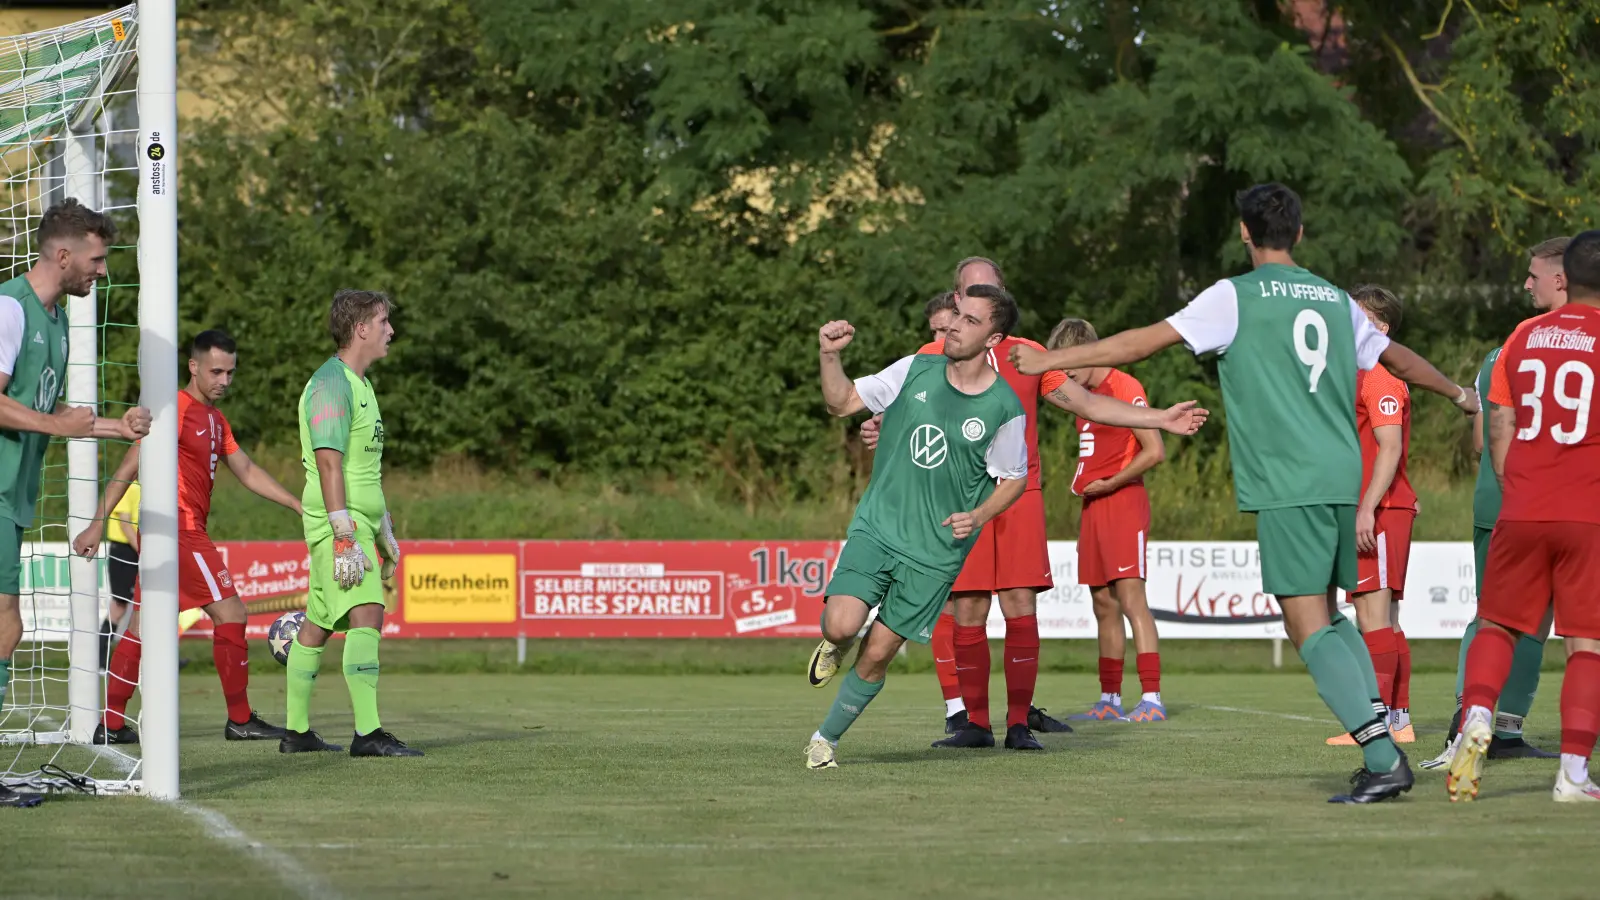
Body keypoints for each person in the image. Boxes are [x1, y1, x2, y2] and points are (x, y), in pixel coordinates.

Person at [1011, 183, 1477, 803]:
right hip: (1343, 478)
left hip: (1291, 482)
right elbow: (1399, 360)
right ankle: (1385, 741)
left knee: (1307, 624)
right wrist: (1458, 394)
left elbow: (1142, 342)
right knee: (1334, 618)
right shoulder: (1336, 299)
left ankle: (1383, 756)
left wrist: (1046, 363)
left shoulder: (1236, 295)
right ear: (1301, 234)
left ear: (1243, 233)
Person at [862, 262, 1209, 748]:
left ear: (1000, 301)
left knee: (1021, 605)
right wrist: (880, 426)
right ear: (957, 297)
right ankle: (976, 726)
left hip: (1019, 496)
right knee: (967, 609)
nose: (972, 301)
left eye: (987, 290)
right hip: (961, 499)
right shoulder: (932, 355)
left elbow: (1087, 405)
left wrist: (1159, 419)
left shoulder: (1029, 357)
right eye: (966, 291)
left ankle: (1020, 724)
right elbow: (901, 408)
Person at [73, 330, 302, 744]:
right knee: (231, 614)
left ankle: (109, 724)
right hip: (181, 530)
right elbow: (129, 467)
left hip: (174, 533)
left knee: (141, 627)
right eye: (216, 371)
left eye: (231, 372)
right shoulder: (176, 410)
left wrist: (297, 504)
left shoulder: (216, 420)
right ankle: (241, 719)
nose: (225, 381)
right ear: (193, 367)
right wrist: (97, 523)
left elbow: (247, 470)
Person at [0, 198, 150, 810]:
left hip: (12, 495)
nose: (102, 271)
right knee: (7, 623)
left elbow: (54, 417)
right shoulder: (10, 308)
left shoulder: (56, 322)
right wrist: (58, 427)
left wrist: (119, 427)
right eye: (96, 258)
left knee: (7, 624)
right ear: (63, 255)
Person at [1447, 230, 1600, 802]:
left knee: (1497, 623)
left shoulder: (1523, 336)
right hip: (1586, 508)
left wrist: (1521, 487)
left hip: (1524, 503)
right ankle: (1573, 775)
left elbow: (1498, 428)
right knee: (1585, 643)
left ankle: (1479, 715)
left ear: (1569, 276)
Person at [1423, 238, 1569, 770]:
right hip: (1560, 504)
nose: (1525, 284)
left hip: (1510, 500)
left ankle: (1490, 729)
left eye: (1534, 276)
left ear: (1562, 279)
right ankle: (1481, 728)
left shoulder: (1508, 348)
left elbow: (1484, 440)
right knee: (1525, 620)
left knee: (1509, 619)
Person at [279, 289, 416, 757]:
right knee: (367, 615)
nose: (390, 330)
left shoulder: (361, 384)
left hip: (354, 520)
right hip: (339, 523)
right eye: (382, 322)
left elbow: (362, 469)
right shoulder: (331, 383)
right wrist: (344, 534)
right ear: (360, 328)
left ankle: (295, 733)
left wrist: (384, 528)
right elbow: (329, 464)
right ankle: (368, 733)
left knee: (318, 622)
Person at [1046, 319, 1169, 724]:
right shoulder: (1085, 395)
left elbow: (1154, 451)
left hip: (1122, 501)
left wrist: (1111, 482)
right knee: (1102, 604)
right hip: (1094, 506)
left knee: (1132, 599)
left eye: (1070, 365)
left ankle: (1151, 697)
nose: (1066, 375)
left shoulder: (1124, 386)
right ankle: (1109, 698)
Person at [1325, 286, 1419, 745]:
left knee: (1373, 613)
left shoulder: (1380, 377)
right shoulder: (1356, 377)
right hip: (1377, 507)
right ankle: (1398, 720)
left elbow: (1390, 446)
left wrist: (1367, 508)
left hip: (1380, 510)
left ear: (1379, 329)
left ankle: (1376, 724)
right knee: (1386, 617)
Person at [100, 478, 139, 669]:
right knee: (119, 606)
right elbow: (125, 523)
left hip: (138, 550)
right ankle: (101, 662)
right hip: (124, 551)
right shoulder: (130, 487)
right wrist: (143, 549)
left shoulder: (152, 490)